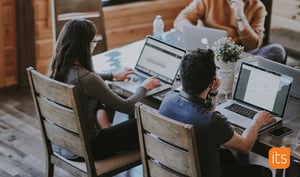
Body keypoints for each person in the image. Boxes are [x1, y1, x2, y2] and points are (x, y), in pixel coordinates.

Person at [48, 18, 160, 161]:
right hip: (87, 149)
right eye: (94, 42)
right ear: (85, 46)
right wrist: (144, 87)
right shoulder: (87, 79)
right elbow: (126, 107)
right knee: (140, 123)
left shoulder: (58, 69)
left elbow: (86, 80)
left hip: (61, 143)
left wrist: (113, 76)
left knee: (102, 101)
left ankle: (108, 130)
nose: (94, 45)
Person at [159, 48, 274, 177]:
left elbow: (204, 113)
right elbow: (245, 145)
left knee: (227, 156)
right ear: (213, 82)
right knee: (264, 172)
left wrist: (213, 92)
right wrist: (257, 122)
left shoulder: (167, 100)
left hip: (173, 169)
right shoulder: (212, 121)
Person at [174, 0, 286, 63]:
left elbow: (253, 46)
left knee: (277, 50)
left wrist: (240, 16)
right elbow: (181, 19)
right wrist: (192, 32)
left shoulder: (258, 7)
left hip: (239, 56)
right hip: (209, 50)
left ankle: (238, 71)